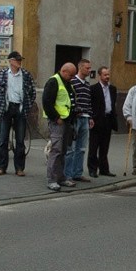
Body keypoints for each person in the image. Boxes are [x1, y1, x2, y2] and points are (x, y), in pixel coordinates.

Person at [0, 51, 36, 177]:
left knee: (20, 141)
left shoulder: (26, 75)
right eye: (17, 60)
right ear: (10, 61)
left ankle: (19, 168)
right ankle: (1, 167)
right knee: (2, 140)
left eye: (20, 60)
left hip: (20, 108)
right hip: (6, 108)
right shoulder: (2, 74)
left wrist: (27, 105)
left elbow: (32, 91)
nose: (19, 62)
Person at [43, 62, 78, 191]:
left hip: (67, 121)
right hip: (58, 121)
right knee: (56, 150)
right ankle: (51, 180)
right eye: (71, 75)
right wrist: (56, 118)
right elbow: (47, 102)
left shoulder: (67, 82)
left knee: (63, 150)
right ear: (64, 71)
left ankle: (61, 177)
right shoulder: (53, 82)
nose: (73, 77)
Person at [64, 59, 94, 183]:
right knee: (71, 148)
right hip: (76, 118)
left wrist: (91, 116)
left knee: (81, 148)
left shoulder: (87, 85)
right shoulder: (73, 82)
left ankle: (78, 172)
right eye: (87, 68)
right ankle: (68, 174)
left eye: (90, 68)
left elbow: (88, 102)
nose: (89, 70)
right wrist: (76, 111)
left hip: (85, 118)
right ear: (80, 68)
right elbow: (71, 100)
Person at [88, 65, 118, 177]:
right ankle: (92, 169)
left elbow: (113, 103)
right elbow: (90, 104)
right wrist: (91, 117)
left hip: (108, 119)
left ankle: (104, 169)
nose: (107, 77)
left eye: (108, 74)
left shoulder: (112, 89)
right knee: (93, 146)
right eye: (105, 75)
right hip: (97, 120)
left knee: (105, 147)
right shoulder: (93, 89)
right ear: (100, 76)